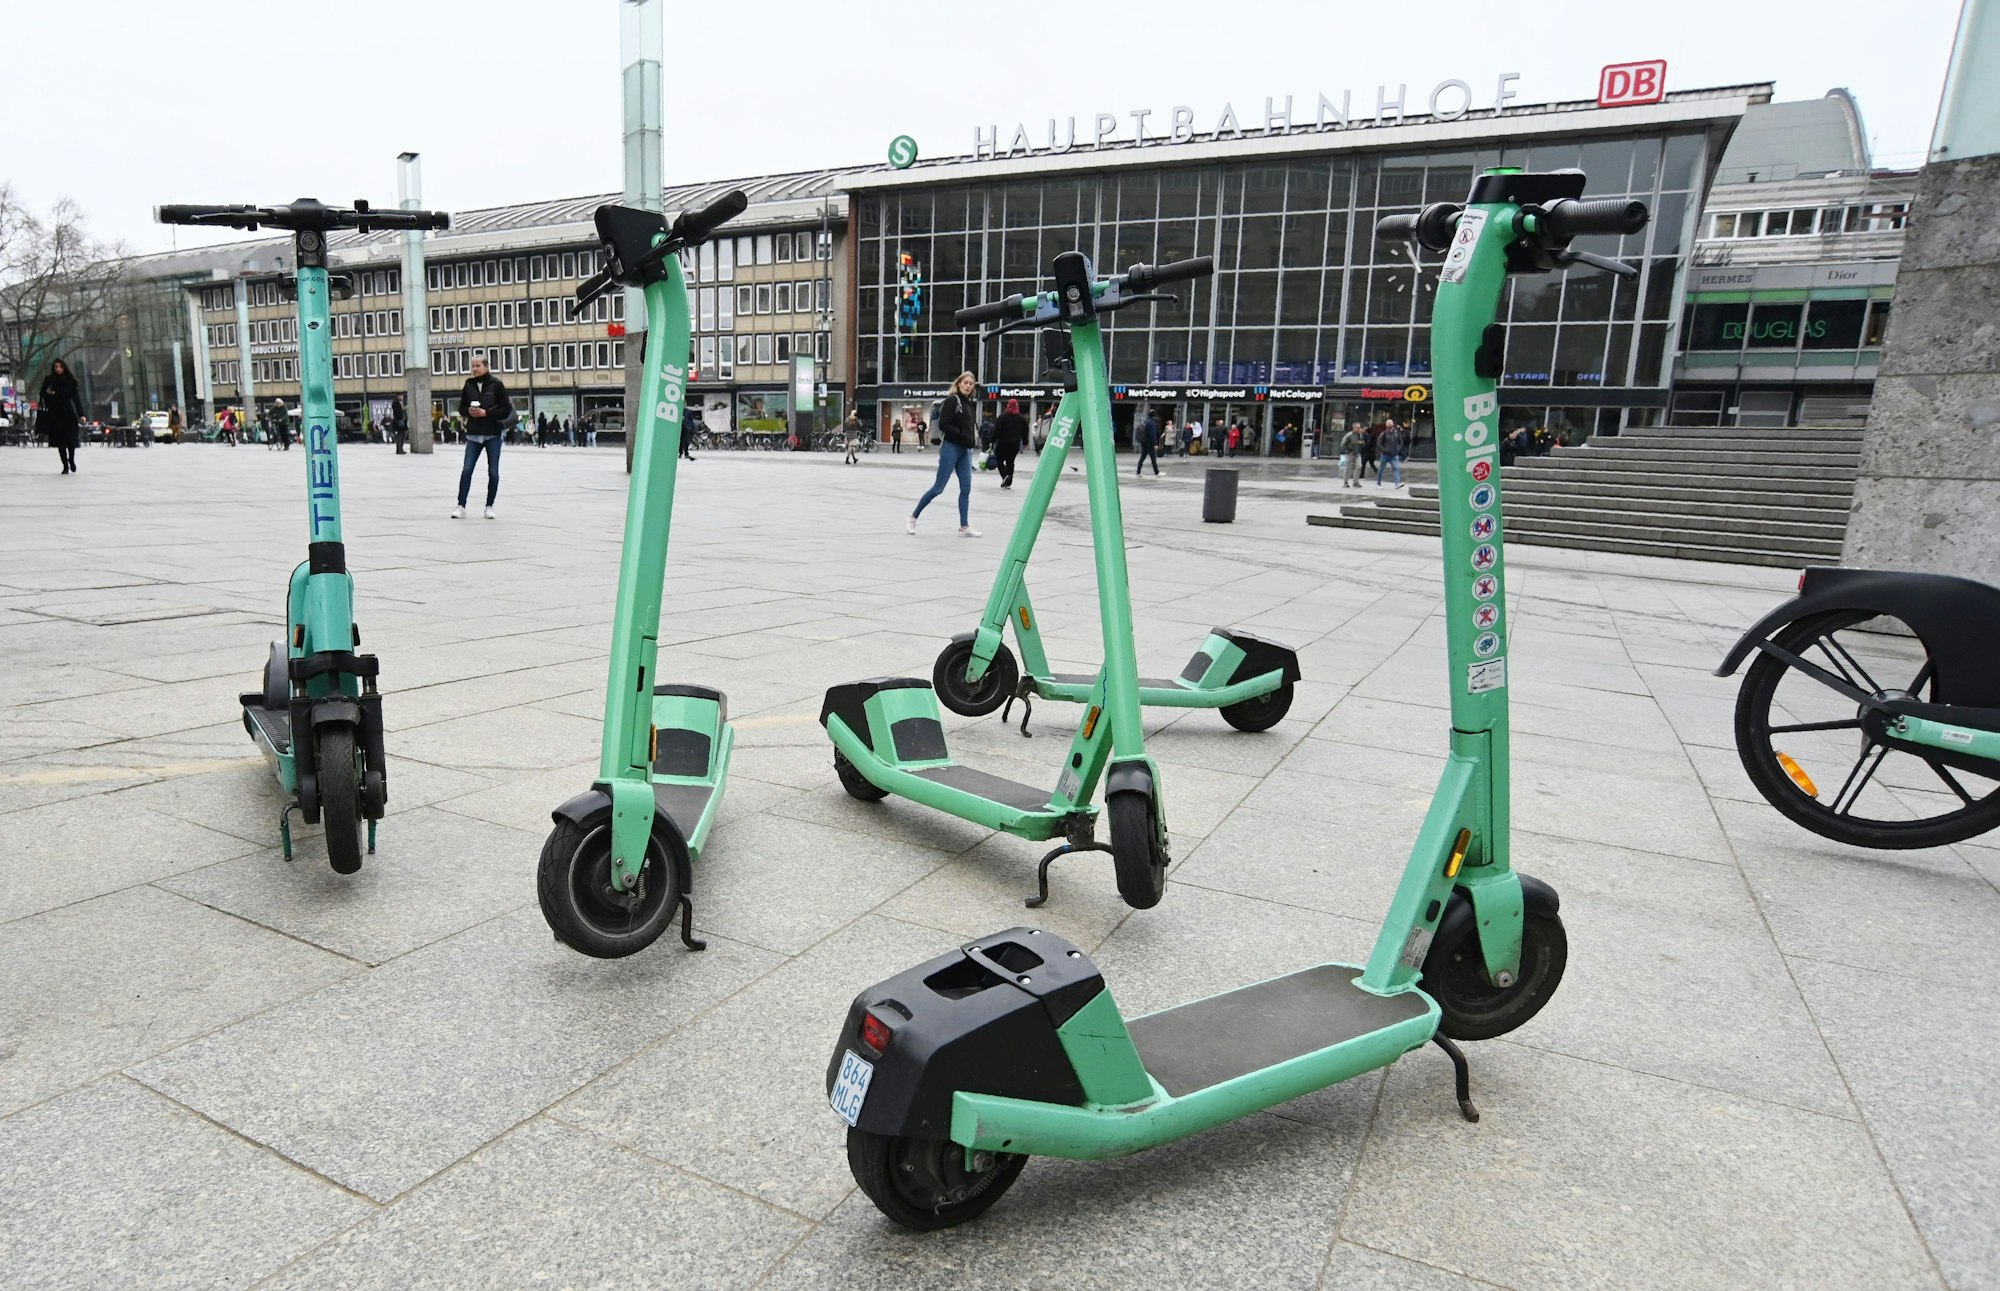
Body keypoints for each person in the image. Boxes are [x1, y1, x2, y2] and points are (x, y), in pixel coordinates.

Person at [907, 370, 980, 537]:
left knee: (966, 488)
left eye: (971, 383)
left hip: (965, 451)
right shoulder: (952, 400)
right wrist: (962, 435)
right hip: (951, 447)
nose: (968, 386)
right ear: (959, 383)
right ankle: (912, 516)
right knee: (938, 488)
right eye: (965, 383)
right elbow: (944, 424)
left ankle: (964, 525)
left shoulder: (968, 403)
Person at [452, 355, 513, 519]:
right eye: (472, 366)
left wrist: (487, 413)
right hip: (473, 434)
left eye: (477, 366)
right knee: (467, 470)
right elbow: (461, 408)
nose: (474, 369)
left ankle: (489, 506)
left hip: (492, 434)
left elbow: (506, 409)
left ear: (486, 366)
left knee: (493, 471)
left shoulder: (496, 385)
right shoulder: (468, 384)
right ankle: (461, 505)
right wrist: (468, 412)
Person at [38, 359, 84, 474]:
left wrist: (81, 414)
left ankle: (71, 459)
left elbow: (76, 399)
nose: (58, 369)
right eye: (56, 367)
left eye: (60, 367)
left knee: (71, 440)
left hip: (68, 413)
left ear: (64, 368)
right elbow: (42, 394)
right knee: (60, 443)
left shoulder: (70, 381)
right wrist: (48, 393)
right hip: (55, 414)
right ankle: (65, 466)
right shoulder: (49, 380)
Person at [992, 398, 1026, 487]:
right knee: (1010, 462)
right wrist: (1025, 442)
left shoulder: (1003, 416)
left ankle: (1005, 476)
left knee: (999, 460)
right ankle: (1009, 478)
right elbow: (1025, 431)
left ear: (1008, 405)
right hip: (1015, 443)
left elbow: (996, 429)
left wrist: (992, 440)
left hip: (1003, 442)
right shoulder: (1021, 418)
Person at [1376, 419, 1406, 488]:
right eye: (1388, 423)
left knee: (1396, 468)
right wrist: (1384, 450)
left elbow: (1400, 441)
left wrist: (1398, 449)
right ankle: (1378, 483)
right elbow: (1379, 443)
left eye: (1390, 423)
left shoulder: (1397, 433)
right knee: (1381, 469)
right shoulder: (1384, 433)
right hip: (1385, 455)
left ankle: (1397, 483)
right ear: (1386, 425)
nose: (1389, 424)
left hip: (1394, 455)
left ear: (1393, 424)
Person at [1135, 407, 1161, 476]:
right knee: (1153, 459)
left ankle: (1138, 472)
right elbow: (1153, 434)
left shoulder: (1145, 421)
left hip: (1144, 442)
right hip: (1150, 444)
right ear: (1154, 415)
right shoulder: (1152, 423)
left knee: (1142, 458)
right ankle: (1157, 472)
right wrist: (1155, 444)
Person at [1340, 422, 1366, 488]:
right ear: (1354, 428)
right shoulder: (1349, 435)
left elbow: (1363, 442)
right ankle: (1345, 482)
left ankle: (1355, 482)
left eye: (1360, 427)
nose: (1359, 429)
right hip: (1350, 453)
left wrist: (1362, 443)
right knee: (1347, 468)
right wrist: (1347, 451)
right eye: (1357, 428)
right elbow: (1343, 444)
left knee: (1359, 466)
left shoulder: (1360, 434)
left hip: (1357, 453)